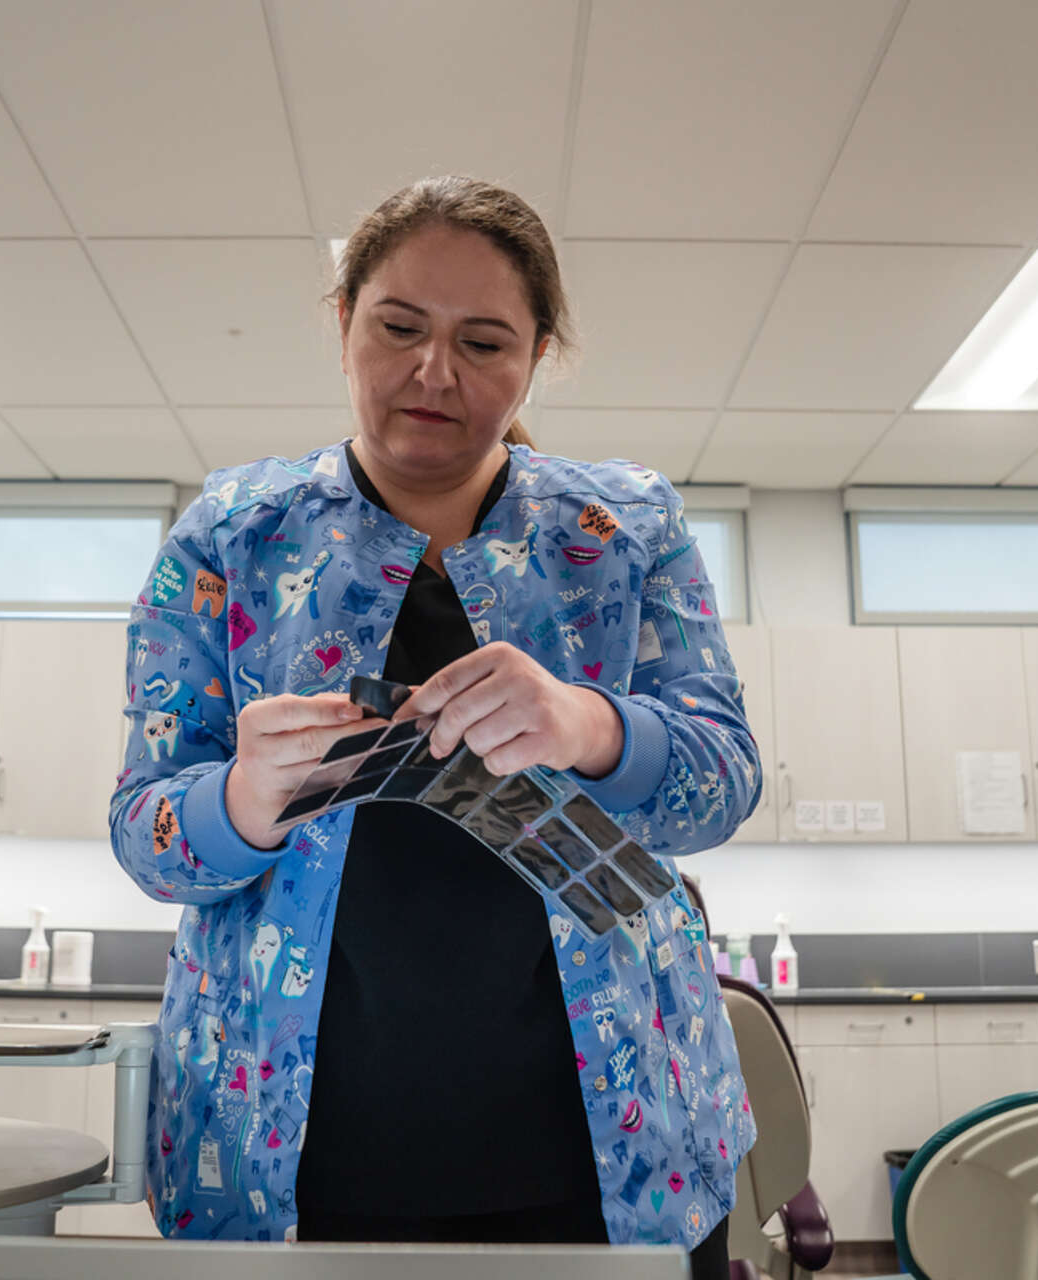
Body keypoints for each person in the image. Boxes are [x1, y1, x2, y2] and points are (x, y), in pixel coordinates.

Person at [110, 176, 761, 1274]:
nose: (432, 374)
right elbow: (145, 836)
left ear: (538, 352)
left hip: (614, 1140)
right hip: (289, 1149)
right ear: (342, 321)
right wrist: (241, 799)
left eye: (484, 342)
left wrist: (589, 723)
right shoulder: (235, 533)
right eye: (398, 327)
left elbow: (723, 782)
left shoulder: (621, 527)